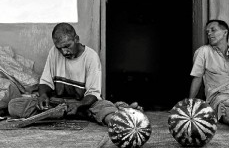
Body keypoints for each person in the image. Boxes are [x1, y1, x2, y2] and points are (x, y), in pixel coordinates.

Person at [7, 23, 141, 125]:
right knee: (14, 105)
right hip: (58, 103)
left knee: (103, 108)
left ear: (76, 39)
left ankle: (119, 115)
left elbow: (93, 93)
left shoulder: (91, 57)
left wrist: (79, 105)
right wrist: (43, 95)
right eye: (60, 48)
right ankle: (76, 114)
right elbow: (45, 82)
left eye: (67, 46)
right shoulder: (54, 52)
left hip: (83, 103)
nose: (64, 52)